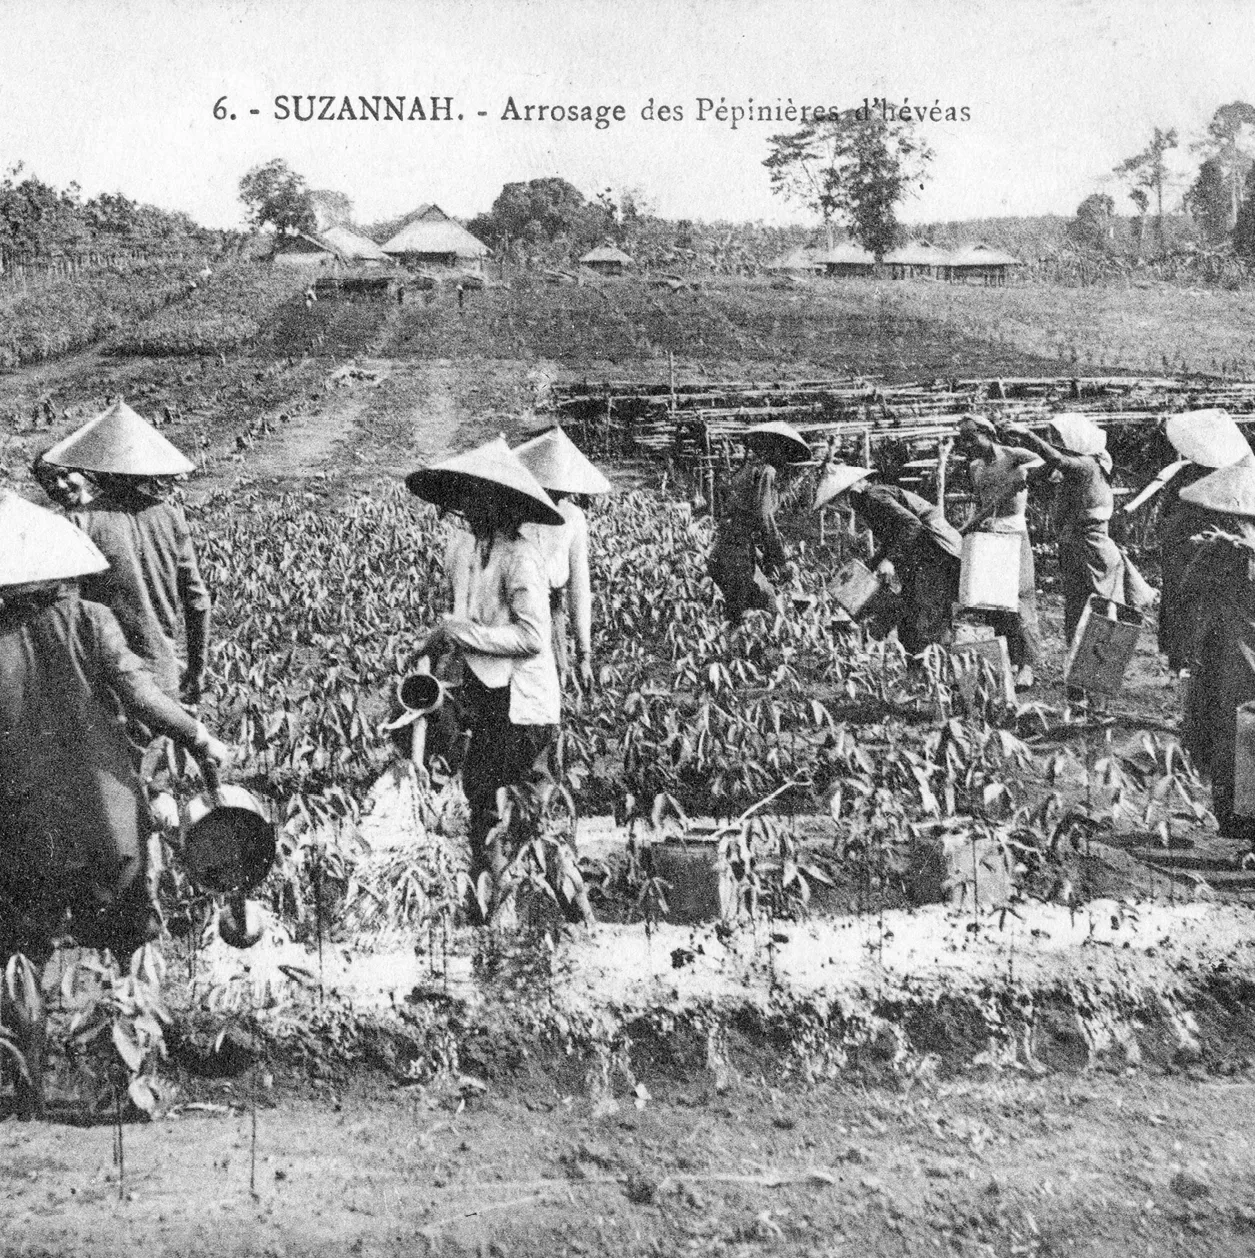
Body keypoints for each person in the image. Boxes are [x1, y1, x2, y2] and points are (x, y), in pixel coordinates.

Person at [0, 492, 231, 1114]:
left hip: (23, 824)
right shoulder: (90, 620)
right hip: (105, 817)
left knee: (26, 950)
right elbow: (141, 693)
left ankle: (30, 1080)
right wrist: (199, 735)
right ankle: (132, 1074)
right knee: (127, 941)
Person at [407, 438, 593, 927]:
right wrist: (435, 642)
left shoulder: (521, 557)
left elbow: (533, 637)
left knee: (526, 818)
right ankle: (491, 914)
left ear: (500, 504)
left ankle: (572, 917)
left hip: (525, 708)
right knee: (483, 805)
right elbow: (469, 624)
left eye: (475, 501)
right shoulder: (481, 554)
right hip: (492, 700)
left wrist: (463, 633)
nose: (466, 511)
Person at [43, 399, 211, 707]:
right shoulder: (170, 515)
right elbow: (197, 600)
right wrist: (197, 671)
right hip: (162, 669)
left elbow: (59, 607)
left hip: (105, 676)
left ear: (95, 469)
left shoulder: (78, 521)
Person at [1176, 458, 1255, 849]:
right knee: (1231, 729)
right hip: (1227, 650)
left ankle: (1238, 815)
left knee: (1232, 728)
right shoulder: (1223, 551)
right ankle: (1236, 815)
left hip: (1233, 653)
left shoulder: (1225, 551)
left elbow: (1187, 589)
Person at [1139, 410, 1251, 678]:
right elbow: (1168, 509)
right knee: (1182, 601)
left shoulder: (1228, 476)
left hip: (1203, 548)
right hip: (1185, 546)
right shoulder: (1188, 472)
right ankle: (1181, 658)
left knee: (1198, 606)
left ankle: (1190, 660)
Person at [997, 414, 1125, 646]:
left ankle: (1098, 661)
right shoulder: (1076, 467)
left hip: (1091, 546)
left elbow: (1057, 459)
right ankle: (1077, 661)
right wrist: (1029, 477)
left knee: (1097, 605)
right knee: (1076, 605)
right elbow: (1047, 468)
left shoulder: (1086, 465)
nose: (1056, 442)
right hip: (1075, 544)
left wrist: (1027, 435)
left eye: (1060, 438)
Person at [816, 463, 963, 654]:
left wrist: (890, 560)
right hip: (919, 557)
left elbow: (912, 525)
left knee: (926, 616)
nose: (839, 505)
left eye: (839, 499)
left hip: (934, 553)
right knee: (909, 614)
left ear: (853, 490)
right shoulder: (867, 503)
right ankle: (917, 672)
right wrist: (872, 565)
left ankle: (935, 671)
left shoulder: (874, 497)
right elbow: (893, 537)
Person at [514, 427, 613, 691]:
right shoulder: (513, 512)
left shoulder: (573, 518)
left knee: (553, 688)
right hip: (514, 612)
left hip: (551, 612)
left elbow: (579, 587)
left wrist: (584, 654)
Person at [956, 414, 1044, 689]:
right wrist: (971, 525)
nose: (967, 444)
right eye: (963, 439)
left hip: (1014, 532)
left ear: (987, 432)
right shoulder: (976, 467)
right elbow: (982, 502)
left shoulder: (1014, 456)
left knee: (1020, 597)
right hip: (988, 533)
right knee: (995, 602)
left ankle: (1027, 664)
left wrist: (1026, 478)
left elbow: (1046, 463)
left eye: (970, 437)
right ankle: (1009, 660)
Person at [708, 421, 814, 620]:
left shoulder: (747, 470)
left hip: (723, 550)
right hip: (735, 556)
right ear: (776, 450)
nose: (786, 460)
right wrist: (780, 560)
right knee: (768, 607)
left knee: (741, 611)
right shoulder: (767, 472)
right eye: (785, 453)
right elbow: (764, 519)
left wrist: (760, 555)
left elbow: (740, 517)